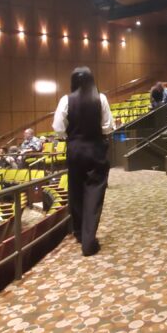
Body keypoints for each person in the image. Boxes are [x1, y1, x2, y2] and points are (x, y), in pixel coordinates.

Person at [52, 66, 114, 256]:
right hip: (95, 149)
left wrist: (72, 135)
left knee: (76, 192)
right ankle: (88, 241)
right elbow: (108, 127)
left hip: (75, 149)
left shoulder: (65, 99)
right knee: (94, 194)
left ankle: (79, 233)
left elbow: (58, 127)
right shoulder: (100, 98)